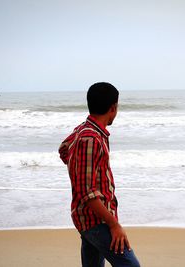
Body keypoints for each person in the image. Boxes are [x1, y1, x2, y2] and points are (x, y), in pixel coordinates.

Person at [58, 82, 140, 267]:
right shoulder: (90, 138)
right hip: (96, 220)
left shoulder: (86, 129)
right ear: (113, 108)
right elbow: (87, 193)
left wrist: (78, 167)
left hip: (89, 217)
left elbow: (63, 149)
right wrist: (114, 225)